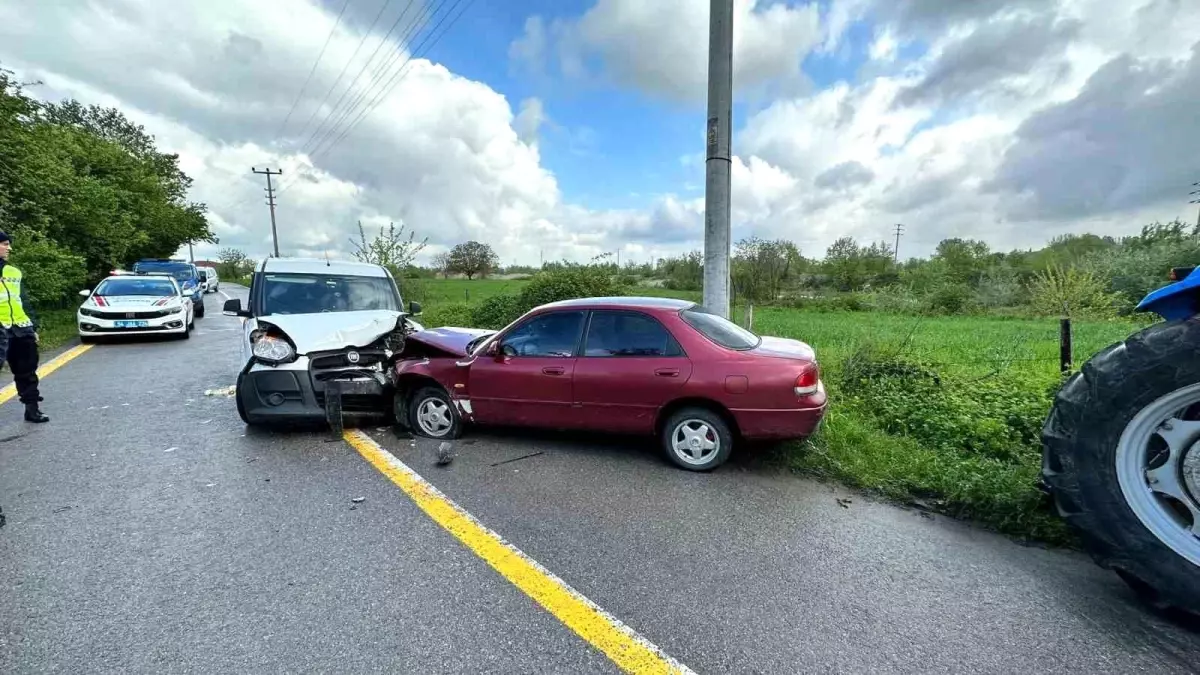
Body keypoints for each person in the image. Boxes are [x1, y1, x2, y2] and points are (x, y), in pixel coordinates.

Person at [0, 232, 48, 423]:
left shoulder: (13, 271)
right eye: (5, 244)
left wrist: (32, 326)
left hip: (20, 327)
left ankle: (32, 409)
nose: (9, 248)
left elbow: (23, 301)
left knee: (27, 371)